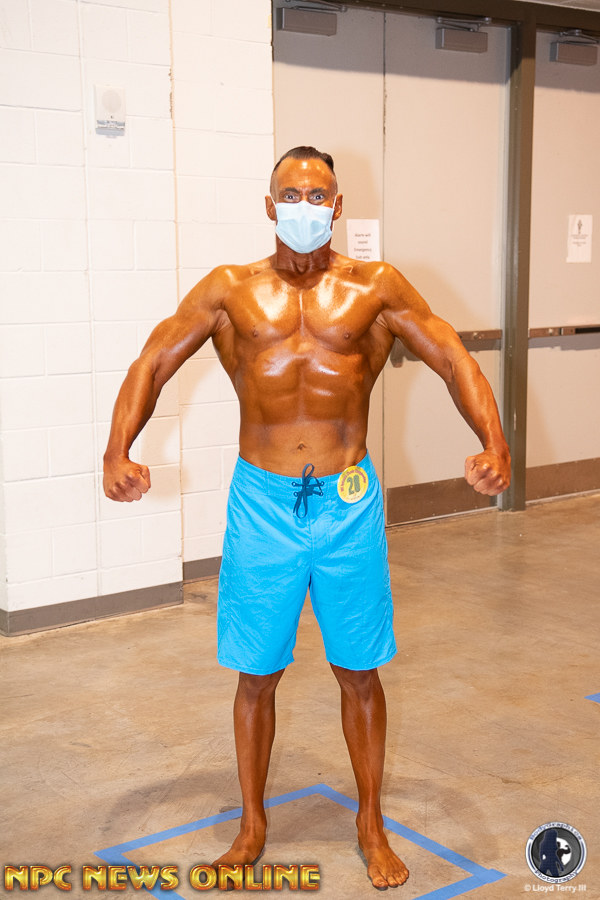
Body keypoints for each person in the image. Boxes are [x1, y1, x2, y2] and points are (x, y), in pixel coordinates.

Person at [103, 146, 511, 890]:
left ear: (337, 205)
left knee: (359, 670)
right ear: (269, 206)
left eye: (317, 195)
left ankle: (370, 822)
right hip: (262, 505)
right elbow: (152, 362)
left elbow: (454, 358)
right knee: (256, 674)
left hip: (348, 504)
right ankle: (251, 824)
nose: (303, 206)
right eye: (290, 194)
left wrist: (495, 441)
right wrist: (116, 450)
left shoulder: (375, 288)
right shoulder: (230, 290)